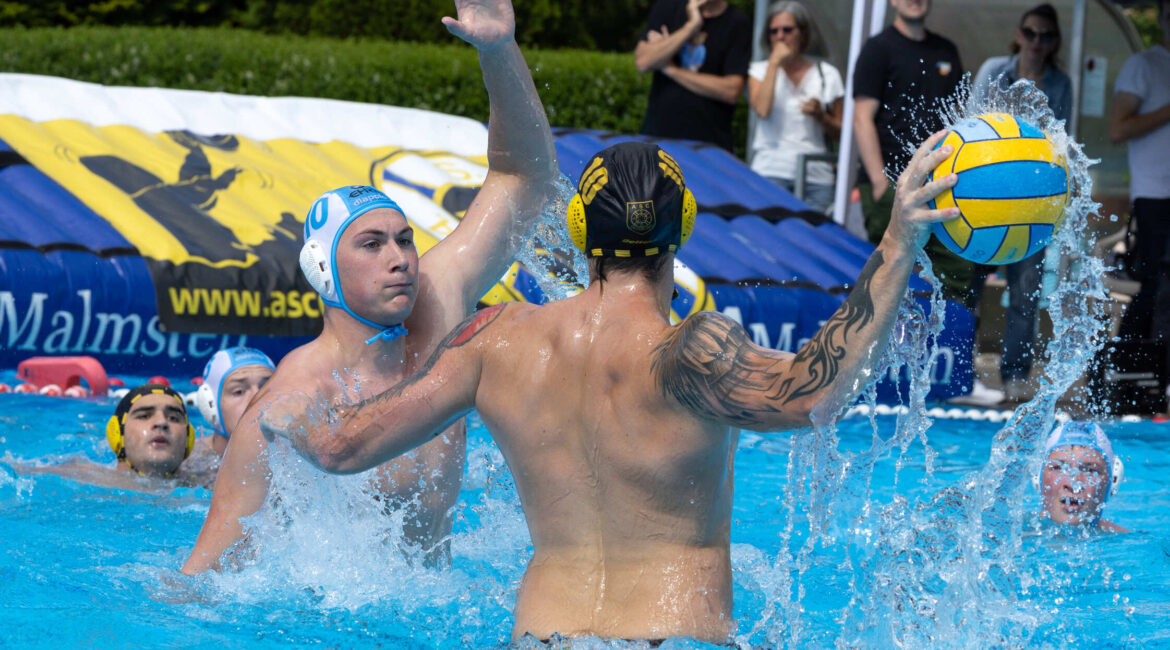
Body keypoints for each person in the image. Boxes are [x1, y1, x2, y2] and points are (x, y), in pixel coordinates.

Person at [261, 136, 962, 643]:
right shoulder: (693, 352)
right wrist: (897, 242)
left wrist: (285, 412)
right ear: (682, 228)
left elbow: (339, 446)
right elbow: (816, 392)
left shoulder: (493, 340)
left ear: (577, 230)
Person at [180, 0, 558, 574]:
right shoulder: (290, 401)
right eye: (371, 244)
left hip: (438, 603)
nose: (401, 259)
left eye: (404, 240)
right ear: (324, 270)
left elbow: (523, 178)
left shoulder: (440, 298)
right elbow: (207, 570)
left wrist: (500, 52)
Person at [971, 3, 1072, 403]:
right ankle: (963, 371)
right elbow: (970, 124)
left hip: (1029, 202)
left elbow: (1063, 142)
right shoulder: (995, 70)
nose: (1036, 42)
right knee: (968, 287)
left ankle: (1014, 378)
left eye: (1045, 35)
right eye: (1030, 33)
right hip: (983, 194)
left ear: (1054, 42)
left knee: (1026, 293)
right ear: (1018, 35)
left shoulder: (1060, 83)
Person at [853, 0, 973, 305]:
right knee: (886, 278)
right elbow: (861, 117)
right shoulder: (877, 49)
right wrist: (881, 185)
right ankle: (878, 352)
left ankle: (947, 349)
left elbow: (959, 121)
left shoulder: (946, 51)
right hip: (892, 182)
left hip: (940, 183)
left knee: (954, 277)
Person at [8, 383, 216, 492]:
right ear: (118, 434)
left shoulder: (206, 483)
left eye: (173, 417)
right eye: (144, 416)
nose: (161, 422)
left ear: (188, 438)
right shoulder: (83, 476)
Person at [1112, 0, 1170, 391]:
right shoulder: (1144, 65)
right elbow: (1118, 129)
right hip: (1155, 197)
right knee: (1156, 285)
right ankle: (1132, 376)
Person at [747, 1, 843, 213]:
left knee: (816, 242)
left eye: (787, 30)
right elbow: (762, 110)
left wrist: (821, 116)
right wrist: (774, 63)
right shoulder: (759, 71)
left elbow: (842, 134)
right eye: (774, 31)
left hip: (815, 176)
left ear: (803, 33)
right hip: (770, 171)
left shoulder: (827, 73)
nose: (780, 37)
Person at [634, 0, 751, 151]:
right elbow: (643, 62)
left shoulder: (737, 23)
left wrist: (670, 69)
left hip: (708, 149)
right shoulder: (667, 7)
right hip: (657, 141)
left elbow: (731, 91)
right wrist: (691, 26)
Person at [1038, 421, 1127, 532]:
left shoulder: (1127, 543)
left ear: (1113, 482)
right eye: (1058, 468)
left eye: (1090, 470)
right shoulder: (1013, 534)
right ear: (1038, 478)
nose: (1073, 483)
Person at [195, 346, 276, 456]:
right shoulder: (189, 463)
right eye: (239, 391)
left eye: (266, 388)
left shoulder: (301, 453)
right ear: (211, 406)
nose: (257, 399)